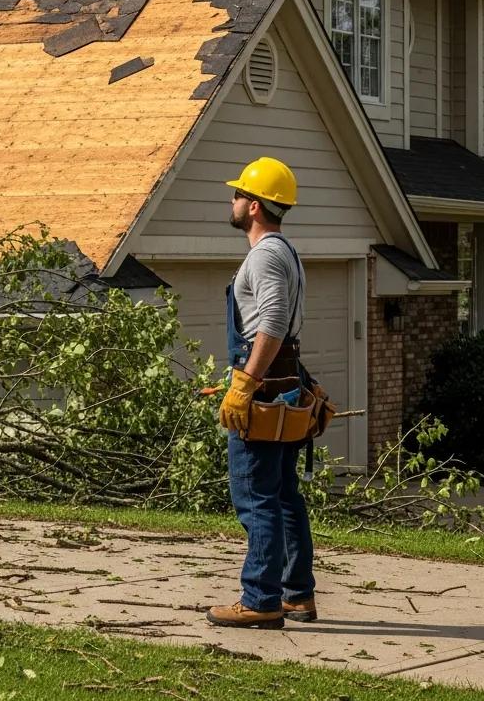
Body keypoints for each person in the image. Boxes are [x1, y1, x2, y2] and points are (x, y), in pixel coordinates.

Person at [206, 157, 317, 630]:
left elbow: (270, 326)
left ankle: (261, 599)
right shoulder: (284, 252)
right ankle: (296, 595)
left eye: (236, 195)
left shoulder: (266, 255)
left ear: (253, 206)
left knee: (256, 498)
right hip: (284, 388)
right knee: (284, 495)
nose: (230, 201)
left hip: (266, 396)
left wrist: (245, 384)